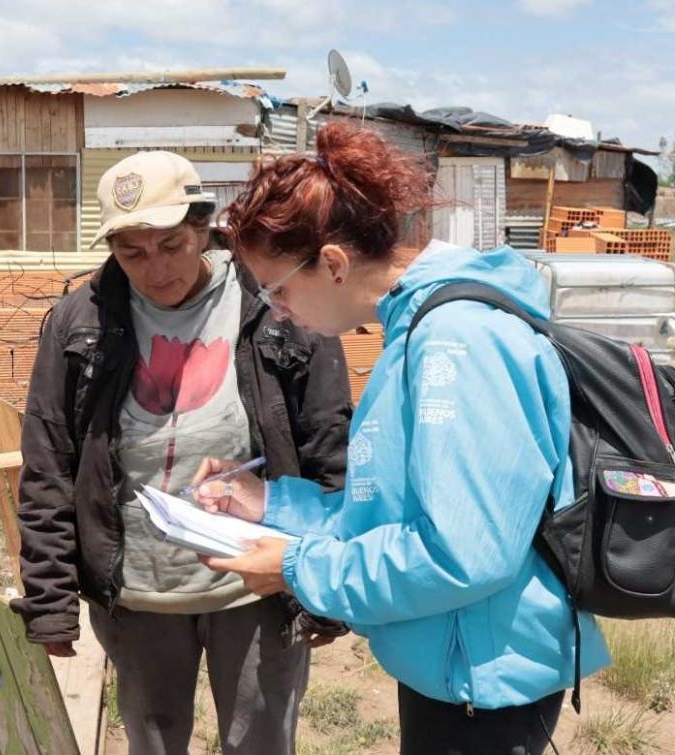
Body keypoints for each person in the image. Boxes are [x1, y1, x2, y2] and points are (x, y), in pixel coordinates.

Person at [191, 122, 611, 755]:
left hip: (483, 685)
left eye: (276, 290)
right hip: (451, 662)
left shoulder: (456, 340)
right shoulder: (415, 331)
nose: (277, 311)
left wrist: (295, 567)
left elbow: (462, 555)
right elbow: (389, 515)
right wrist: (269, 504)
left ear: (333, 264)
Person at [10, 150, 352, 754]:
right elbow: (48, 462)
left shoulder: (275, 302)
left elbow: (327, 444)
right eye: (132, 253)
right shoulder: (80, 320)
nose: (156, 268)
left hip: (256, 583)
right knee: (153, 740)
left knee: (261, 741)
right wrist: (50, 599)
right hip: (138, 592)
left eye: (171, 244)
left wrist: (325, 584)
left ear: (202, 227)